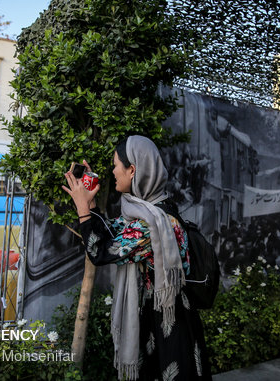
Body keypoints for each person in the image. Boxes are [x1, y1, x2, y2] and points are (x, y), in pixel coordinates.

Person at [62, 135, 212, 381]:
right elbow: (112, 232)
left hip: (168, 329)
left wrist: (82, 210)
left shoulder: (151, 224)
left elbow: (101, 251)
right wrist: (88, 206)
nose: (112, 171)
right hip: (159, 318)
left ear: (132, 170)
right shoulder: (151, 211)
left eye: (115, 164)